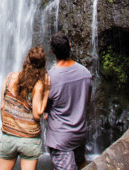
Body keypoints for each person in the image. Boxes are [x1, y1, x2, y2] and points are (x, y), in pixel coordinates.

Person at [0, 46, 50, 170]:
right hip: (29, 140)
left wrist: (6, 127)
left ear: (27, 60)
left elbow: (2, 106)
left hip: (8, 137)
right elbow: (37, 114)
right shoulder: (37, 85)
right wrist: (47, 91)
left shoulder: (10, 77)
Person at [45, 32, 92, 170]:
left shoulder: (50, 78)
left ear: (52, 51)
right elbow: (86, 102)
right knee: (81, 163)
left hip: (60, 138)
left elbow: (45, 108)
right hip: (79, 133)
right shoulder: (86, 73)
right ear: (70, 46)